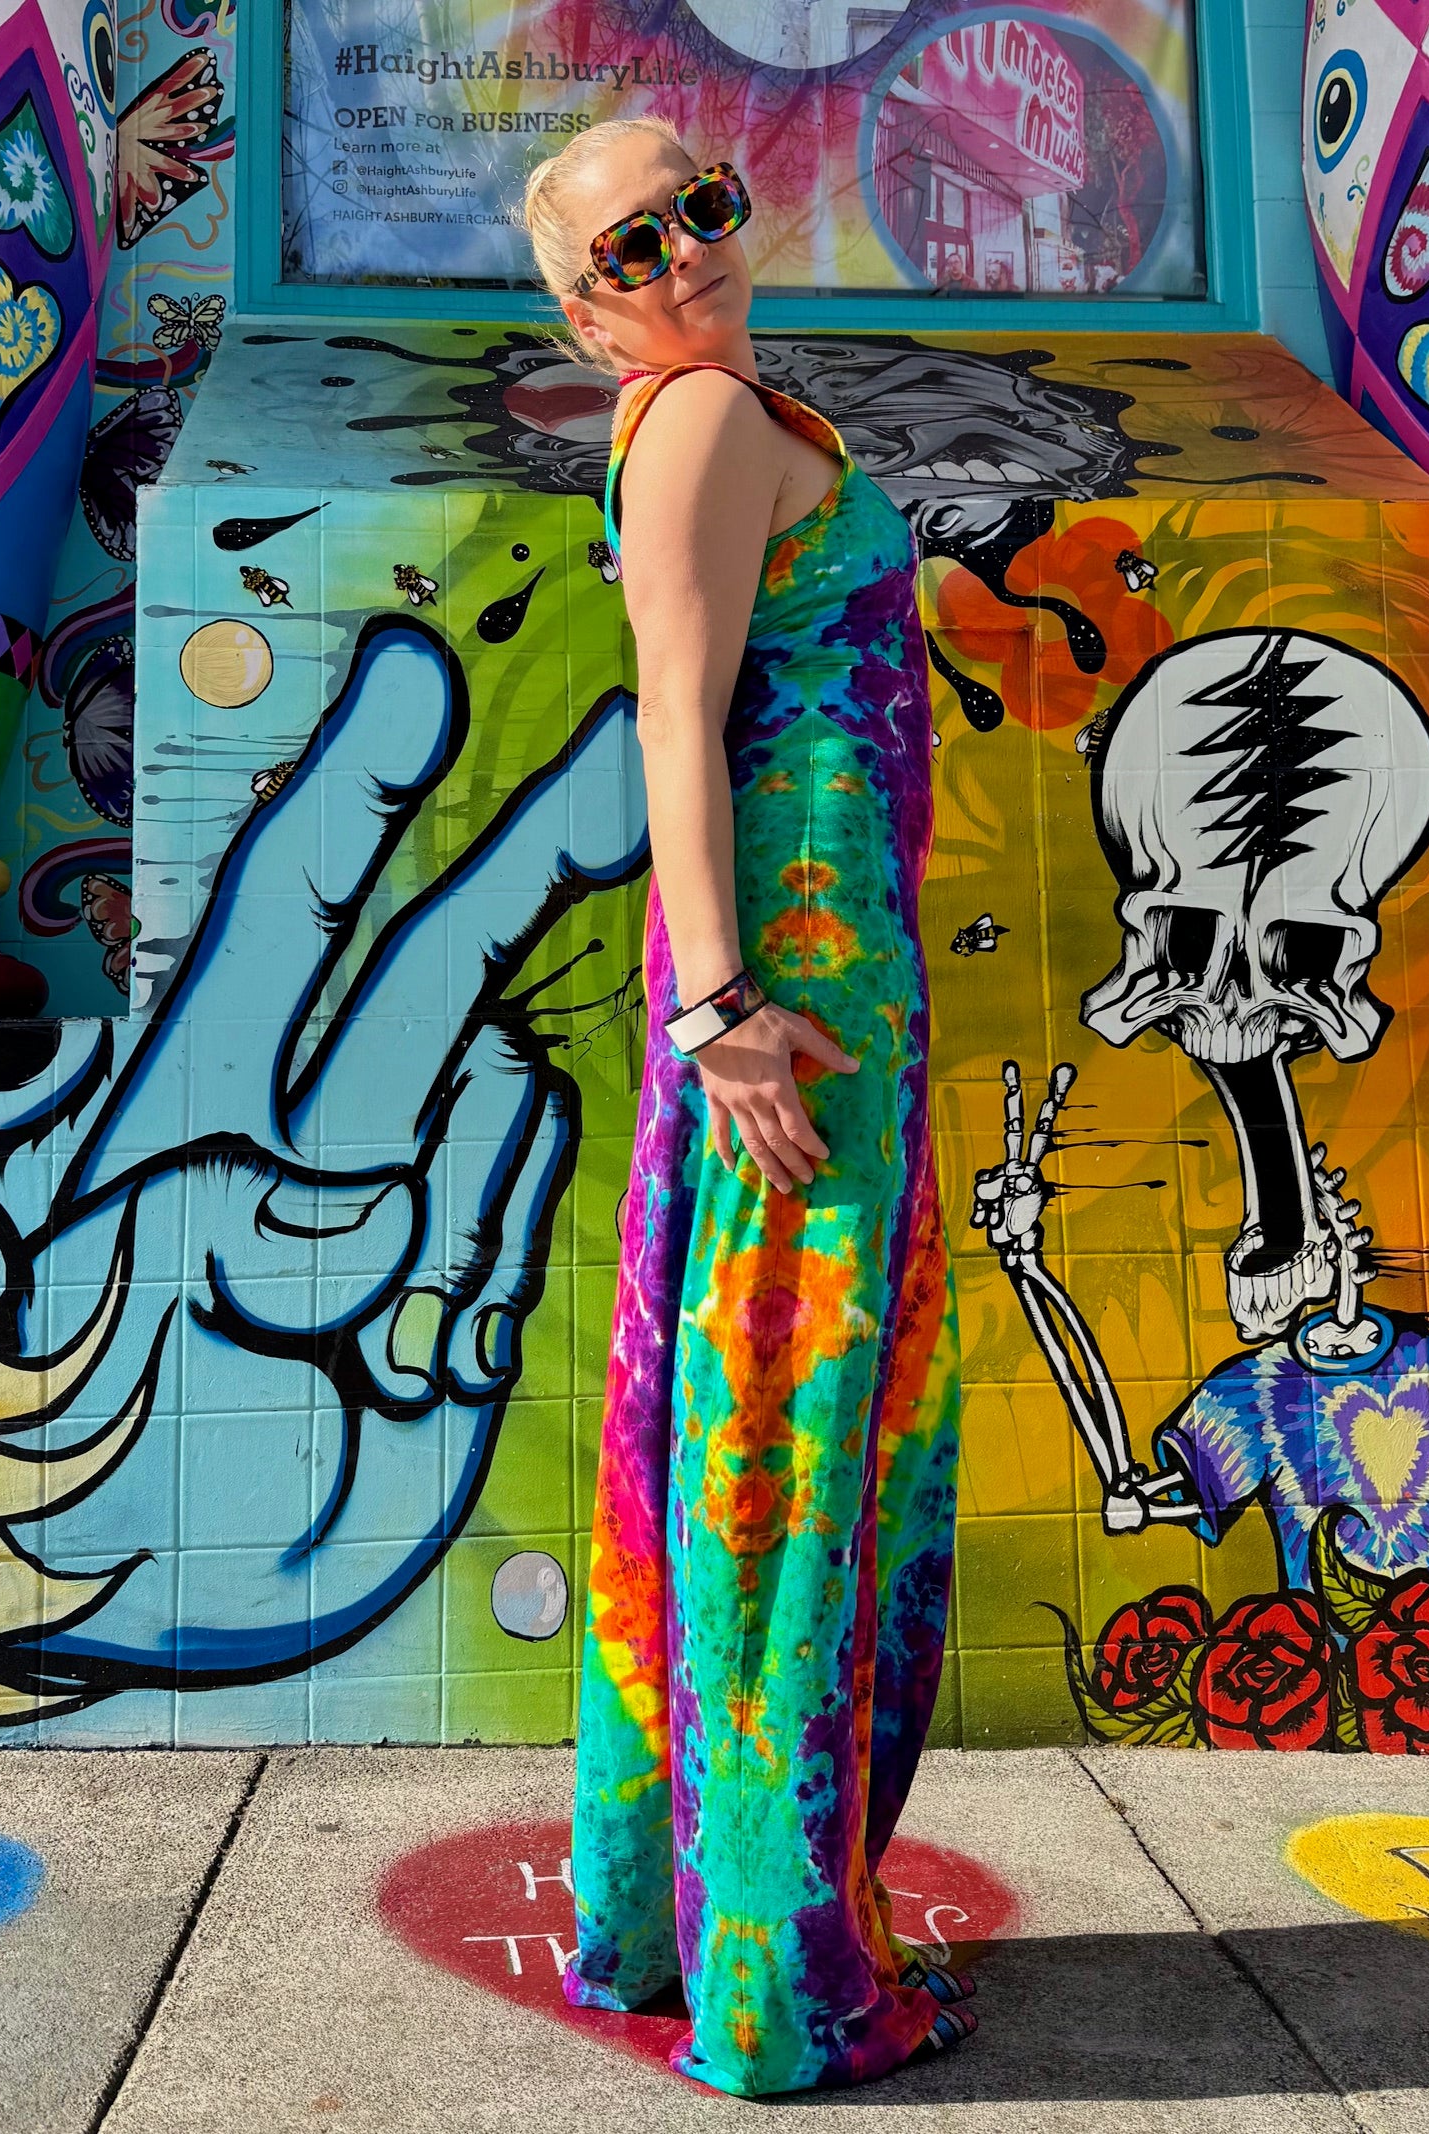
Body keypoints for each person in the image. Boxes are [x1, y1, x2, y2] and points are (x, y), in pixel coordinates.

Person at [520, 118, 969, 2097]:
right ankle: (777, 1978)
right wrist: (722, 1005)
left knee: (742, 1437)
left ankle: (681, 1920)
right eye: (627, 245)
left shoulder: (717, 407)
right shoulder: (697, 417)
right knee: (784, 1455)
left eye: (697, 206)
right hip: (795, 995)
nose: (683, 251)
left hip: (806, 980)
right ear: (581, 307)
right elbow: (675, 723)